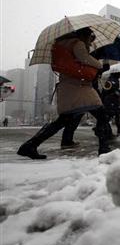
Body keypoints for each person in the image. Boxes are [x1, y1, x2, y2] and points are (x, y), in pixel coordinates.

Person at [17, 27, 111, 159]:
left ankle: (29, 145)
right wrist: (101, 66)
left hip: (68, 86)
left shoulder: (62, 45)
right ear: (85, 35)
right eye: (90, 39)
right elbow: (84, 58)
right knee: (102, 115)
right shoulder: (77, 43)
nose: (90, 42)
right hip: (79, 87)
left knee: (62, 121)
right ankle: (104, 150)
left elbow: (74, 63)